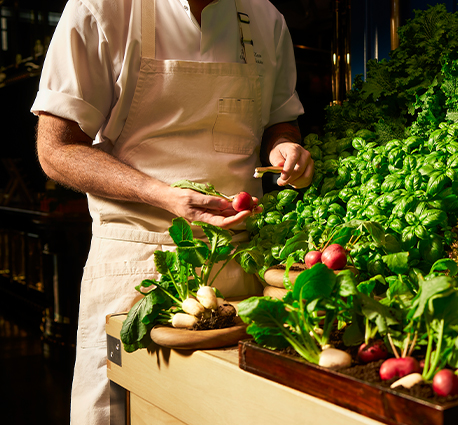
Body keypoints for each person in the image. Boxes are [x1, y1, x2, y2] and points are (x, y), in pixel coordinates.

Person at [31, 0, 314, 424]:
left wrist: (286, 146)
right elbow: (56, 151)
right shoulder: (100, 9)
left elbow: (280, 119)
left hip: (239, 265)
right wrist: (161, 193)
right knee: (121, 409)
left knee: (231, 409)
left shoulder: (266, 17)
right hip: (137, 263)